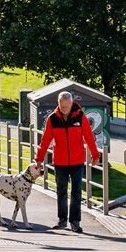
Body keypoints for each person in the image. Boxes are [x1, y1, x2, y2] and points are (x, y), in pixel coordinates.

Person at [35, 90, 101, 233]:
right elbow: (45, 140)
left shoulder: (80, 116)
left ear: (72, 104)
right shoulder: (52, 119)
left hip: (77, 161)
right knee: (61, 191)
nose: (64, 109)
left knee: (76, 192)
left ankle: (75, 222)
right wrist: (39, 159)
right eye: (61, 106)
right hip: (60, 162)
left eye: (66, 106)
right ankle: (62, 220)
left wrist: (95, 155)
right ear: (58, 104)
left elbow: (89, 136)